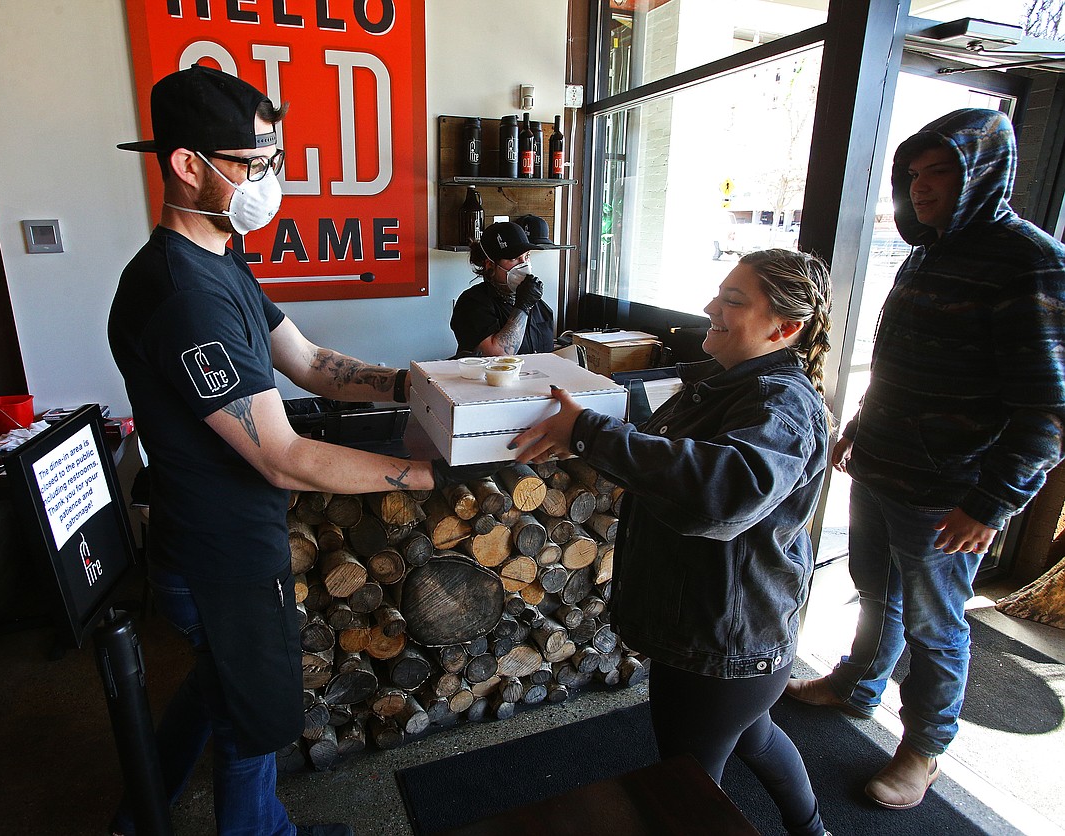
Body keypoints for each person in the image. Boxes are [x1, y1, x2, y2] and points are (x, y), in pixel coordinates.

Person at [108, 64, 487, 836]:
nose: (269, 181)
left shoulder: (220, 259)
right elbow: (283, 456)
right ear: (187, 164)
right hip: (220, 553)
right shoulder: (182, 294)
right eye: (252, 165)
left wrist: (428, 384)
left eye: (273, 160)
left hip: (216, 539)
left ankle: (141, 813)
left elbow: (312, 364)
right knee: (252, 721)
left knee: (218, 688)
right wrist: (432, 472)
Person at [785, 108, 1065, 810]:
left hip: (951, 492)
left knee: (938, 627)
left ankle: (923, 749)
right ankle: (856, 683)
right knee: (877, 593)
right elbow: (897, 366)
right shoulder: (927, 250)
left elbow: (1050, 407)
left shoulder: (1031, 259)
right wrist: (857, 429)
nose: (925, 187)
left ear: (984, 171)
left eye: (941, 171)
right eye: (915, 173)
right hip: (882, 465)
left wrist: (992, 503)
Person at [511, 249, 834, 836]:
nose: (710, 307)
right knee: (754, 733)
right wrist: (588, 439)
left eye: (734, 301)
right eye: (718, 293)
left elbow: (722, 491)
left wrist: (588, 431)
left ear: (786, 328)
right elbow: (668, 457)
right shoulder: (728, 381)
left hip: (725, 638)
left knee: (683, 793)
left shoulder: (782, 405)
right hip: (726, 630)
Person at [449, 220, 555, 357]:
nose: (524, 265)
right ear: (490, 265)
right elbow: (496, 356)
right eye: (514, 259)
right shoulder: (472, 303)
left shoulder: (536, 302)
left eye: (527, 256)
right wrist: (522, 307)